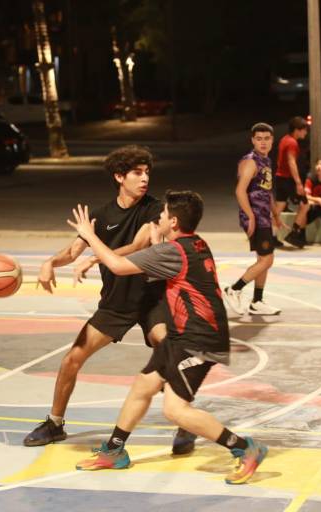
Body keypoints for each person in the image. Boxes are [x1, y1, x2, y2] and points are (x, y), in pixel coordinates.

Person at [68, 191, 268, 485]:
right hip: (183, 334)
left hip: (199, 340)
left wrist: (89, 235)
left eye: (161, 214)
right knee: (143, 386)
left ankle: (245, 448)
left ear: (172, 221)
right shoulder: (194, 243)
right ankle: (114, 450)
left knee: (175, 410)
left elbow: (119, 267)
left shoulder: (172, 251)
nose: (157, 217)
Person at [24, 145, 197, 455]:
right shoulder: (102, 215)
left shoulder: (155, 209)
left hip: (151, 299)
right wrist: (49, 262)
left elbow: (139, 243)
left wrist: (98, 258)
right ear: (120, 176)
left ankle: (185, 421)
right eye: (137, 173)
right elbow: (72, 251)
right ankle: (55, 423)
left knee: (168, 347)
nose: (145, 178)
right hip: (116, 302)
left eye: (147, 172)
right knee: (71, 359)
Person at [224, 123, 282, 317]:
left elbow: (267, 190)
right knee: (267, 259)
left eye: (266, 138)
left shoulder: (266, 160)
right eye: (259, 138)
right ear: (252, 140)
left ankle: (257, 301)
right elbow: (240, 190)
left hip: (264, 216)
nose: (263, 142)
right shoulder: (251, 161)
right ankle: (234, 289)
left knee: (262, 259)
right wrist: (250, 216)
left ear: (272, 140)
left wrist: (275, 214)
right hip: (255, 216)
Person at [274, 116, 309, 249]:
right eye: (304, 130)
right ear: (297, 130)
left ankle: (272, 237)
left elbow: (279, 161)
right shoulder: (292, 143)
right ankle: (294, 233)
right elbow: (291, 162)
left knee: (279, 208)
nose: (305, 133)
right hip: (288, 179)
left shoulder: (284, 139)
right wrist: (298, 183)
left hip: (280, 177)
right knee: (305, 204)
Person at [294, 158, 321, 246]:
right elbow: (306, 196)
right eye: (317, 164)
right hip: (314, 205)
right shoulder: (310, 178)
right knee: (304, 204)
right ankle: (301, 236)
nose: (319, 167)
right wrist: (319, 200)